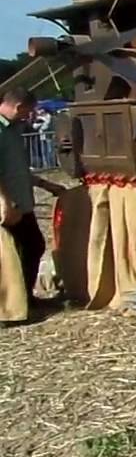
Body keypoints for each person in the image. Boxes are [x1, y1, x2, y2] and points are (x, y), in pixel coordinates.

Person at [0, 88, 49, 306]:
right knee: (10, 255)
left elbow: (18, 169)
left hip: (21, 203)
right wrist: (5, 202)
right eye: (28, 111)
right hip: (8, 205)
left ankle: (23, 299)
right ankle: (11, 304)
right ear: (18, 107)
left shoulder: (13, 130)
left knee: (33, 246)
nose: (29, 116)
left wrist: (47, 185)